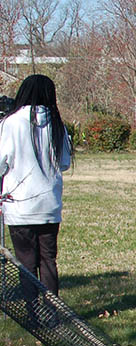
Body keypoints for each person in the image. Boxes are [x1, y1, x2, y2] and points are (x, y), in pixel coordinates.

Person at [0, 74, 73, 296]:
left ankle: (34, 316)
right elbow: (64, 163)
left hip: (20, 204)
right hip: (49, 204)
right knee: (48, 260)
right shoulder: (57, 125)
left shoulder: (10, 124)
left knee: (27, 262)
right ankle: (52, 312)